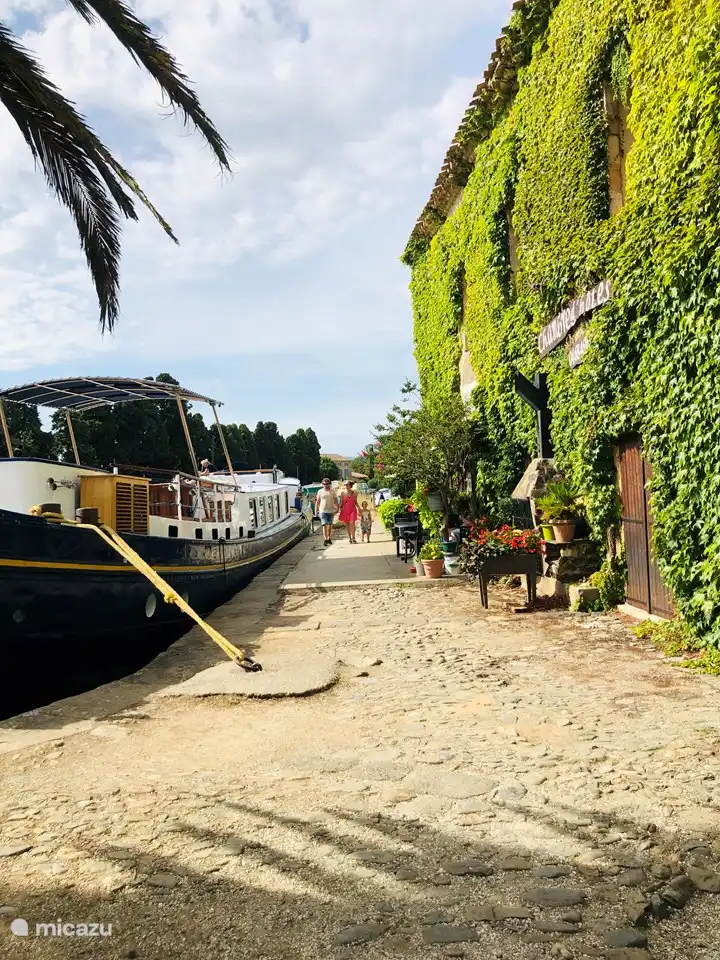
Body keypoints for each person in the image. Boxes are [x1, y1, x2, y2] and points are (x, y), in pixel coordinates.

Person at [315, 478, 338, 546]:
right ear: (322, 484)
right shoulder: (320, 491)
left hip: (331, 510)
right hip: (322, 510)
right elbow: (318, 501)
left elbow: (336, 500)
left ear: (329, 484)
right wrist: (316, 511)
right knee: (324, 524)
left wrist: (337, 508)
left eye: (327, 484)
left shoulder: (333, 491)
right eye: (324, 484)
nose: (326, 485)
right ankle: (325, 539)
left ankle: (329, 537)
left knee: (330, 525)